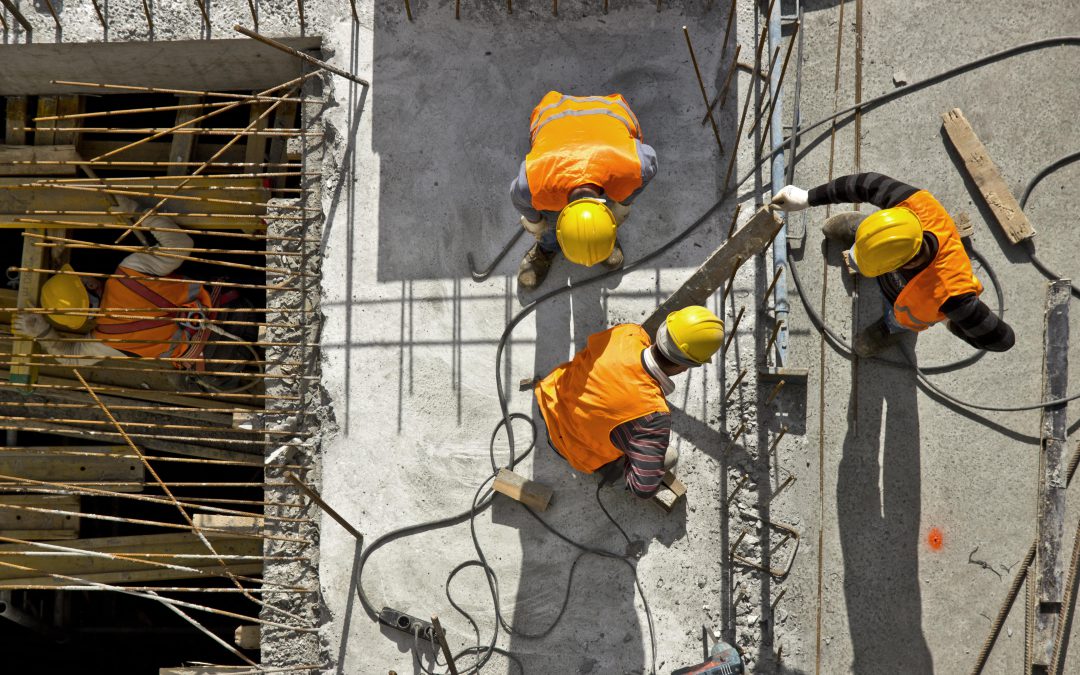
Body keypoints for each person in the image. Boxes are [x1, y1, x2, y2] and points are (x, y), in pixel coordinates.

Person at [12, 198, 256, 391]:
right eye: (82, 279)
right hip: (240, 317)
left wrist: (42, 332)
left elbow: (69, 358)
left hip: (220, 365)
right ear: (91, 286)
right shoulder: (130, 271)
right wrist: (138, 211)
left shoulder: (107, 341)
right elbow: (181, 244)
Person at [771, 172, 1015, 357]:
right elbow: (865, 184)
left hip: (906, 308)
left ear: (898, 264)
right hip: (888, 239)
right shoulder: (915, 205)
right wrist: (807, 197)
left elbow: (1003, 340)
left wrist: (948, 320)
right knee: (863, 233)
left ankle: (890, 329)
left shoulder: (953, 295)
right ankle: (862, 231)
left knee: (898, 319)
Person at [534, 306, 724, 499]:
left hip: (550, 397)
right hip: (571, 448)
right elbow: (643, 488)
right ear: (686, 366)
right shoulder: (653, 416)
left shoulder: (628, 333)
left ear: (662, 329)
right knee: (669, 456)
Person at [510, 91, 658, 289]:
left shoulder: (633, 167)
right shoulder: (534, 185)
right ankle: (547, 246)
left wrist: (623, 205)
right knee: (547, 220)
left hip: (611, 110)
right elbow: (518, 197)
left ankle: (599, 237)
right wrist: (537, 225)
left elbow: (649, 163)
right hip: (554, 111)